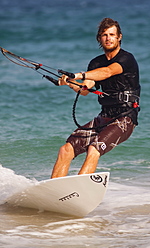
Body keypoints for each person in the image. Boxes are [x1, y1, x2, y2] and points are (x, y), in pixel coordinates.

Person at [51, 17, 141, 178]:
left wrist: (78, 74)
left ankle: (78, 190)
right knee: (66, 149)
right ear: (99, 38)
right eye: (105, 35)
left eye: (112, 34)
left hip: (125, 118)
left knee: (94, 148)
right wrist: (71, 82)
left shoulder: (126, 59)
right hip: (105, 117)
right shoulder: (95, 63)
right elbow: (85, 89)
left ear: (119, 37)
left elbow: (108, 72)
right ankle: (53, 192)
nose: (108, 38)